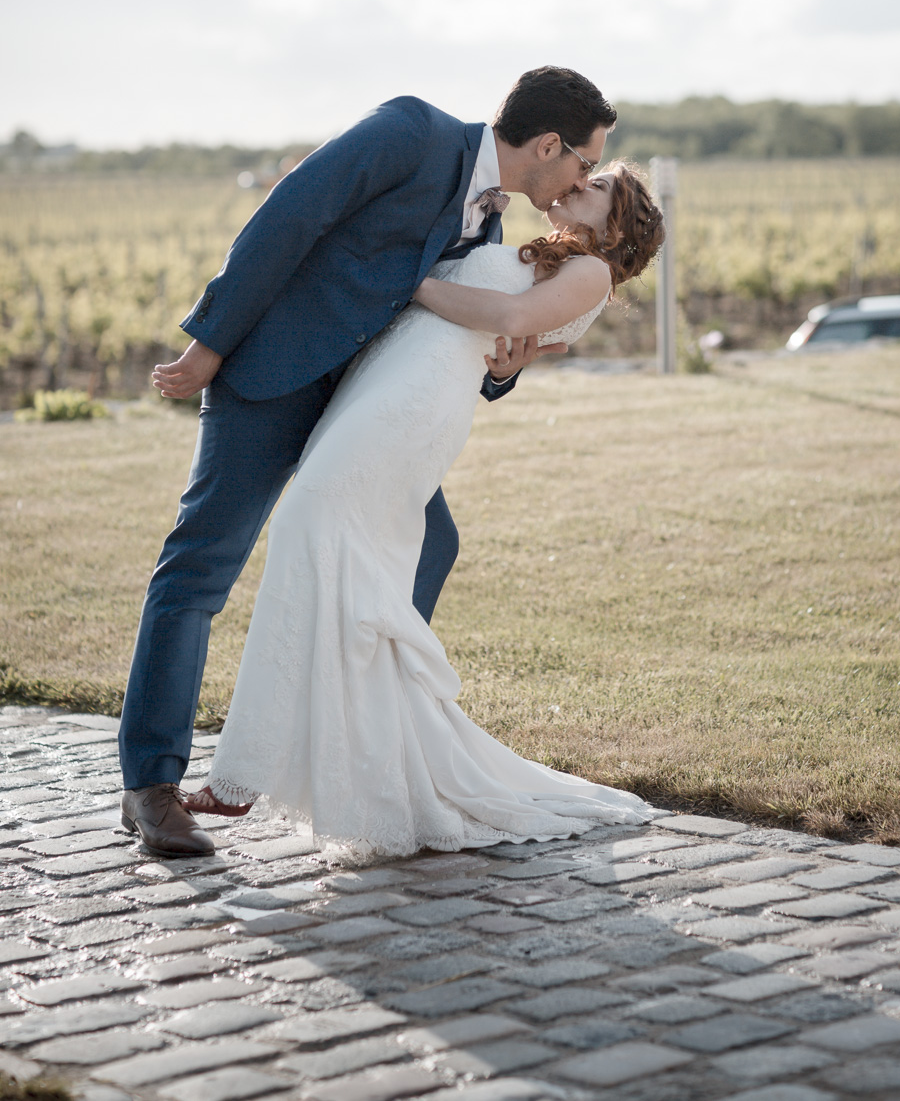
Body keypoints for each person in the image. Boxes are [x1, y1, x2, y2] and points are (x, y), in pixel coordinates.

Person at [120, 66, 617, 856]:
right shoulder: (410, 132)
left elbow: (452, 335)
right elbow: (286, 218)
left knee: (434, 543)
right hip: (274, 376)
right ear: (549, 144)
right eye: (585, 163)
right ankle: (150, 786)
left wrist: (504, 370)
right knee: (200, 568)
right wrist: (209, 343)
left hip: (363, 409)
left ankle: (363, 732)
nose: (583, 181)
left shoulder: (491, 223)